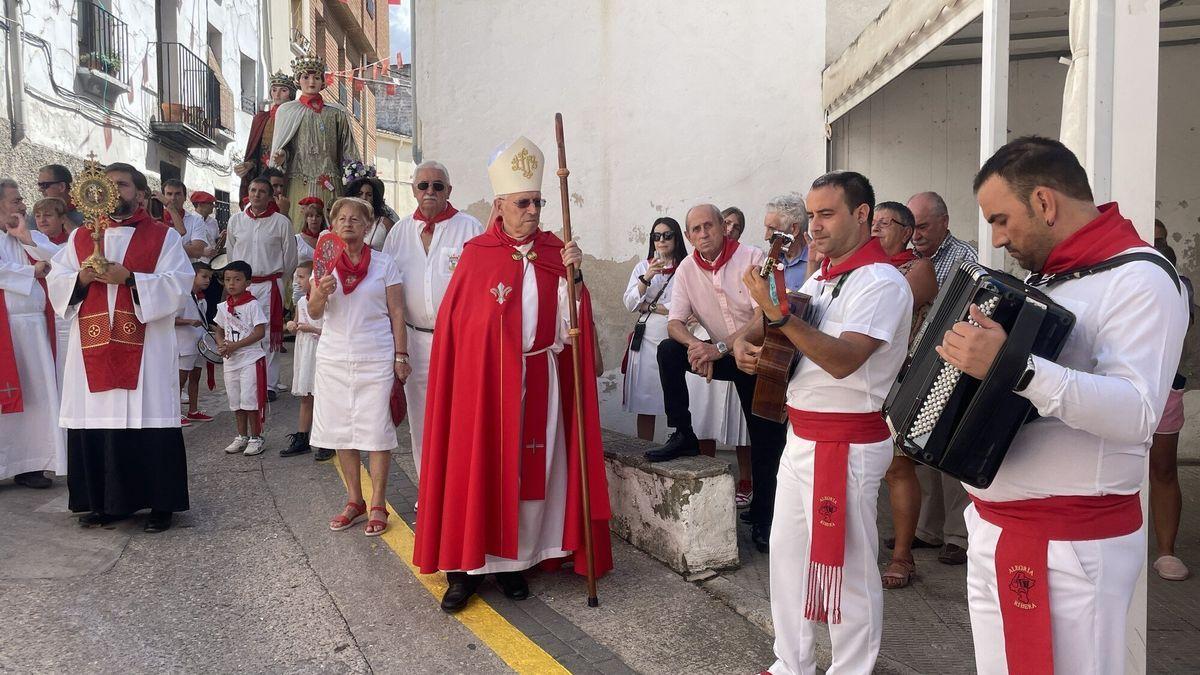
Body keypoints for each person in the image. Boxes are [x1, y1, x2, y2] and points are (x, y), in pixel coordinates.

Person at [938, 136, 1187, 673]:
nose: (997, 238)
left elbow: (1137, 413)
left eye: (1002, 220)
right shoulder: (1050, 280)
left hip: (1069, 546)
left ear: (1045, 203)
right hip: (997, 526)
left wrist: (1015, 367)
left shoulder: (1140, 278)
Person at [413, 136, 613, 613]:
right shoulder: (478, 253)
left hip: (539, 377)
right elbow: (460, 327)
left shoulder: (554, 252)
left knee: (530, 474)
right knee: (475, 468)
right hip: (483, 387)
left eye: (538, 202)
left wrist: (575, 278)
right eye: (523, 202)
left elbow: (572, 328)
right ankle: (463, 571)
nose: (533, 209)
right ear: (500, 205)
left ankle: (511, 566)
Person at [737, 171, 912, 675]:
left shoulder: (882, 281)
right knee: (788, 559)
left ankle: (851, 670)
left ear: (862, 215)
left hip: (847, 441)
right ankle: (791, 663)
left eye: (826, 214)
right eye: (810, 215)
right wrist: (754, 347)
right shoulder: (824, 275)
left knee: (848, 570)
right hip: (804, 434)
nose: (813, 226)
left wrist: (782, 319)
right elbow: (788, 333)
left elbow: (843, 360)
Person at [47, 162, 194, 533]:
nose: (110, 192)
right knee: (97, 418)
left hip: (147, 349)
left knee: (150, 418)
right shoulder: (80, 237)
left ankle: (161, 505)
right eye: (106, 184)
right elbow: (57, 282)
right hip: (91, 347)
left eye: (122, 185)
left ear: (140, 193)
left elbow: (178, 284)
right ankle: (106, 503)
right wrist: (81, 276)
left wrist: (128, 278)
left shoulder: (163, 237)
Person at [645, 202, 786, 554]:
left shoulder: (753, 257)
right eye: (696, 229)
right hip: (721, 354)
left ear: (723, 227)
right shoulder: (688, 269)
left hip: (756, 357)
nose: (703, 233)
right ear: (689, 236)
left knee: (765, 441)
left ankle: (765, 518)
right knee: (668, 350)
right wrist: (696, 345)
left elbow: (763, 318)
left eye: (709, 226)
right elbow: (676, 322)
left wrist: (719, 348)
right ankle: (683, 433)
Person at [309, 197, 410, 536]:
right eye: (341, 218)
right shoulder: (325, 263)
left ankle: (379, 502)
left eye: (356, 219)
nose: (348, 223)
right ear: (333, 224)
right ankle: (355, 500)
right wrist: (321, 293)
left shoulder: (384, 264)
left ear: (368, 227)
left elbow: (397, 312)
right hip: (334, 356)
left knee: (377, 431)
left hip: (376, 355)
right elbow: (313, 312)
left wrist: (401, 356)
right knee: (341, 429)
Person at [381, 160, 482, 481]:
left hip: (458, 341)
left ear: (449, 191)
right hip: (414, 340)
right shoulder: (398, 233)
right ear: (413, 190)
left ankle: (459, 490)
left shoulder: (470, 228)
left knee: (461, 416)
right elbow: (387, 287)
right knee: (421, 418)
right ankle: (429, 490)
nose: (430, 192)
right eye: (423, 186)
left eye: (437, 186)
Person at [871, 200, 938, 590]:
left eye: (885, 223)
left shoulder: (919, 268)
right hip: (866, 376)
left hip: (901, 380)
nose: (876, 229)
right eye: (873, 223)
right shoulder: (866, 269)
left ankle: (903, 555)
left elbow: (890, 312)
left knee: (898, 468)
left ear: (907, 231)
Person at [908, 190, 977, 565]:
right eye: (912, 226)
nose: (915, 234)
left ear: (944, 222)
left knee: (947, 450)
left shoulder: (963, 256)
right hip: (919, 362)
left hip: (950, 362)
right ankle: (927, 530)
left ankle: (957, 535)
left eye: (923, 226)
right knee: (920, 449)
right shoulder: (914, 259)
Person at [0, 179, 65, 489]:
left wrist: (26, 238)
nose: (23, 205)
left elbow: (60, 258)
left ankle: (33, 464)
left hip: (36, 329)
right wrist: (30, 272)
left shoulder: (30, 235)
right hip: (6, 329)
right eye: (16, 200)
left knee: (37, 396)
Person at [225, 176, 298, 400]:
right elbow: (231, 252)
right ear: (248, 192)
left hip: (269, 285)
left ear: (270, 196)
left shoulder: (281, 222)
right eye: (253, 190)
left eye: (262, 191)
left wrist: (277, 280)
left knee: (268, 334)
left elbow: (291, 258)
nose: (257, 195)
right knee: (241, 330)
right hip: (242, 286)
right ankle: (245, 381)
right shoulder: (236, 221)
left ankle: (269, 385)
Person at [1149, 221, 1193, 581]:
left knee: (1163, 468)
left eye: (1162, 241)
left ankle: (1167, 551)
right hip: (1117, 386)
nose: (1160, 247)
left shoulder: (1179, 286)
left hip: (1165, 390)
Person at [270, 54, 357, 229]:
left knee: (331, 227)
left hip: (330, 180)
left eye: (316, 78)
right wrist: (281, 155)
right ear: (298, 80)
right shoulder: (287, 111)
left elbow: (348, 149)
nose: (311, 82)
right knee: (298, 227)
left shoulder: (337, 112)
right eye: (306, 77)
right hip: (298, 179)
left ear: (323, 82)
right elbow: (283, 145)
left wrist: (355, 176)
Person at [622, 217, 685, 440]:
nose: (661, 240)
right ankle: (643, 448)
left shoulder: (687, 267)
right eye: (656, 236)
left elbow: (682, 308)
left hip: (676, 338)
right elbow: (630, 303)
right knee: (646, 399)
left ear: (676, 238)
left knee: (676, 396)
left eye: (667, 235)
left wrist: (650, 305)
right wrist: (646, 278)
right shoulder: (642, 266)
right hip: (647, 340)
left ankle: (679, 442)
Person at [214, 260, 268, 456]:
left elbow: (260, 331)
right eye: (228, 279)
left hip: (250, 359)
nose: (231, 284)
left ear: (247, 282)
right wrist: (221, 344)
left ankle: (256, 437)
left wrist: (236, 345)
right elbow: (219, 330)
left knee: (250, 400)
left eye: (237, 279)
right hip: (231, 361)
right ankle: (241, 436)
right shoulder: (222, 307)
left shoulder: (252, 305)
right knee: (235, 401)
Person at [235, 70, 297, 202]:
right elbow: (255, 152)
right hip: (263, 176)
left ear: (291, 94)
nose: (277, 94)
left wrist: (285, 157)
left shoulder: (295, 119)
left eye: (283, 90)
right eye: (274, 90)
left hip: (288, 176)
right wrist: (249, 164)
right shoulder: (261, 118)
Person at [282, 261, 322, 458]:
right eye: (296, 277)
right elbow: (297, 321)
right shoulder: (300, 302)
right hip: (305, 351)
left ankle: (326, 441)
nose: (297, 281)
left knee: (323, 396)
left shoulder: (323, 300)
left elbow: (331, 331)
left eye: (302, 277)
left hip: (319, 350)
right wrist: (291, 324)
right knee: (306, 396)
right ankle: (302, 437)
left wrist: (312, 329)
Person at [29, 197, 72, 378]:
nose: (42, 220)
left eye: (48, 215)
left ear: (62, 219)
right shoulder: (28, 246)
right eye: (38, 216)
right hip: (39, 313)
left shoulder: (71, 245)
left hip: (63, 316)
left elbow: (59, 260)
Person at [176, 262, 215, 427]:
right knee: (180, 380)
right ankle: (175, 413)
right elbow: (172, 320)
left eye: (209, 278)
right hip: (184, 344)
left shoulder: (201, 298)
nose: (207, 281)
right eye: (204, 276)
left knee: (196, 377)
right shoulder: (182, 295)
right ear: (192, 275)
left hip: (198, 344)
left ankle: (193, 410)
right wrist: (190, 321)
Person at [27, 164, 84, 230]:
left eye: (44, 185)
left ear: (61, 187)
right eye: (39, 185)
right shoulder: (38, 213)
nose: (40, 190)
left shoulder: (86, 214)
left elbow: (83, 239)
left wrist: (64, 219)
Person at [344, 177, 392, 251]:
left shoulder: (385, 223)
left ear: (374, 198)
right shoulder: (345, 222)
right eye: (360, 194)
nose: (364, 198)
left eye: (369, 195)